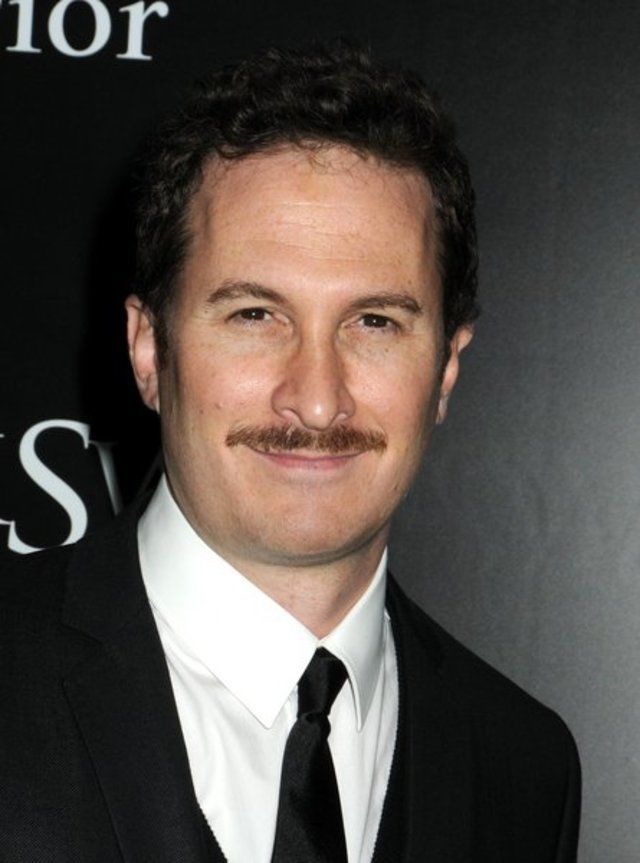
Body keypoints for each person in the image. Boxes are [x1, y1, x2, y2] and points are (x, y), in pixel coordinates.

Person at [0, 42, 580, 862]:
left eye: (374, 322)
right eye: (254, 315)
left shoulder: (524, 766)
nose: (315, 398)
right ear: (147, 348)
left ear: (446, 368)